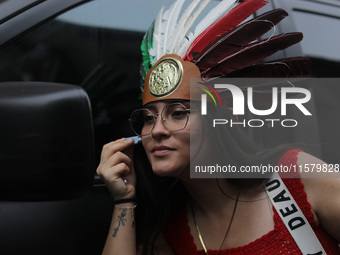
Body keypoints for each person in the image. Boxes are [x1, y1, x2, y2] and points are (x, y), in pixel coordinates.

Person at [96, 0, 340, 254]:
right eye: (148, 118)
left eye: (178, 113)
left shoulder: (295, 176)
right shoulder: (168, 231)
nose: (157, 130)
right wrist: (124, 201)